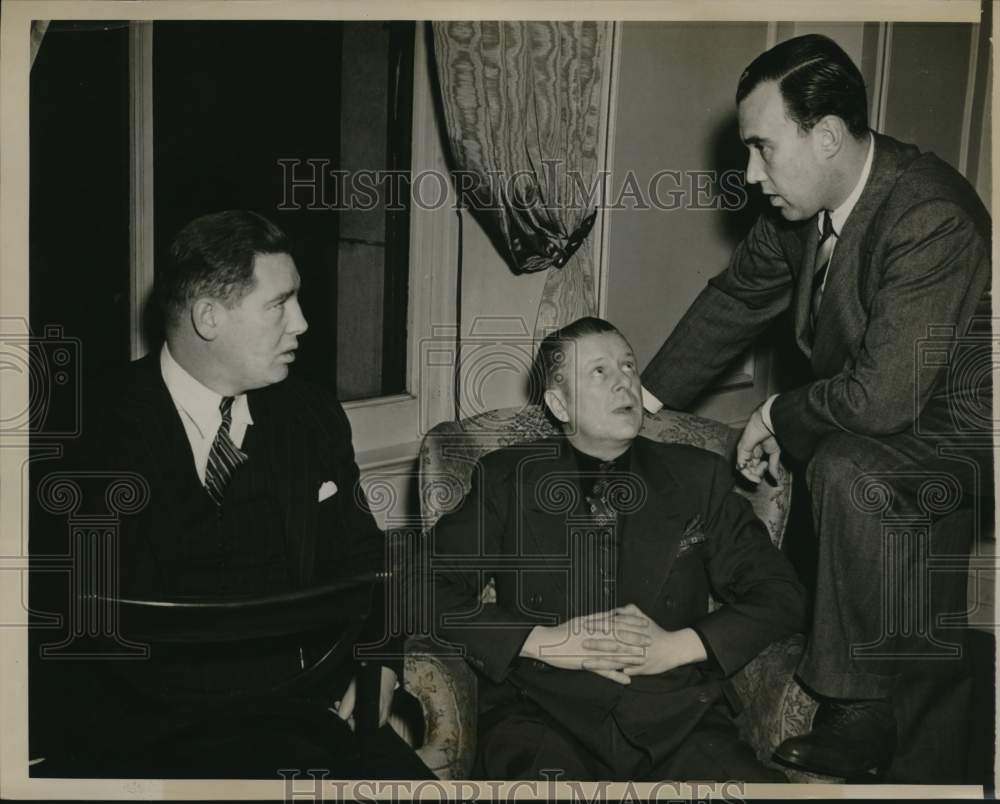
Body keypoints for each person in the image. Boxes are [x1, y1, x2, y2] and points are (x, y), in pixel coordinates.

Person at [640, 35, 992, 780]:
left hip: (953, 436)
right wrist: (638, 398)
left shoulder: (931, 214)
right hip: (872, 431)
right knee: (852, 515)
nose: (749, 173)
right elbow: (736, 298)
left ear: (826, 136)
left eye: (763, 148)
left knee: (844, 472)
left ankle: (856, 708)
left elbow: (885, 395)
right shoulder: (802, 214)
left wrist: (771, 415)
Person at [51, 210, 432, 779]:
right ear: (209, 318)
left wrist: (379, 661)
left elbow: (367, 559)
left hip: (309, 721)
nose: (302, 323)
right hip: (147, 744)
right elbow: (62, 630)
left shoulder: (312, 417)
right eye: (279, 305)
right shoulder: (85, 430)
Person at [420, 316, 806, 781]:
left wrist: (678, 647)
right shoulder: (508, 478)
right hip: (543, 716)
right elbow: (423, 585)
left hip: (678, 721)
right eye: (600, 371)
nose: (624, 381)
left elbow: (781, 593)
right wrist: (546, 642)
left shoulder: (696, 477)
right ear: (559, 404)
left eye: (628, 366)